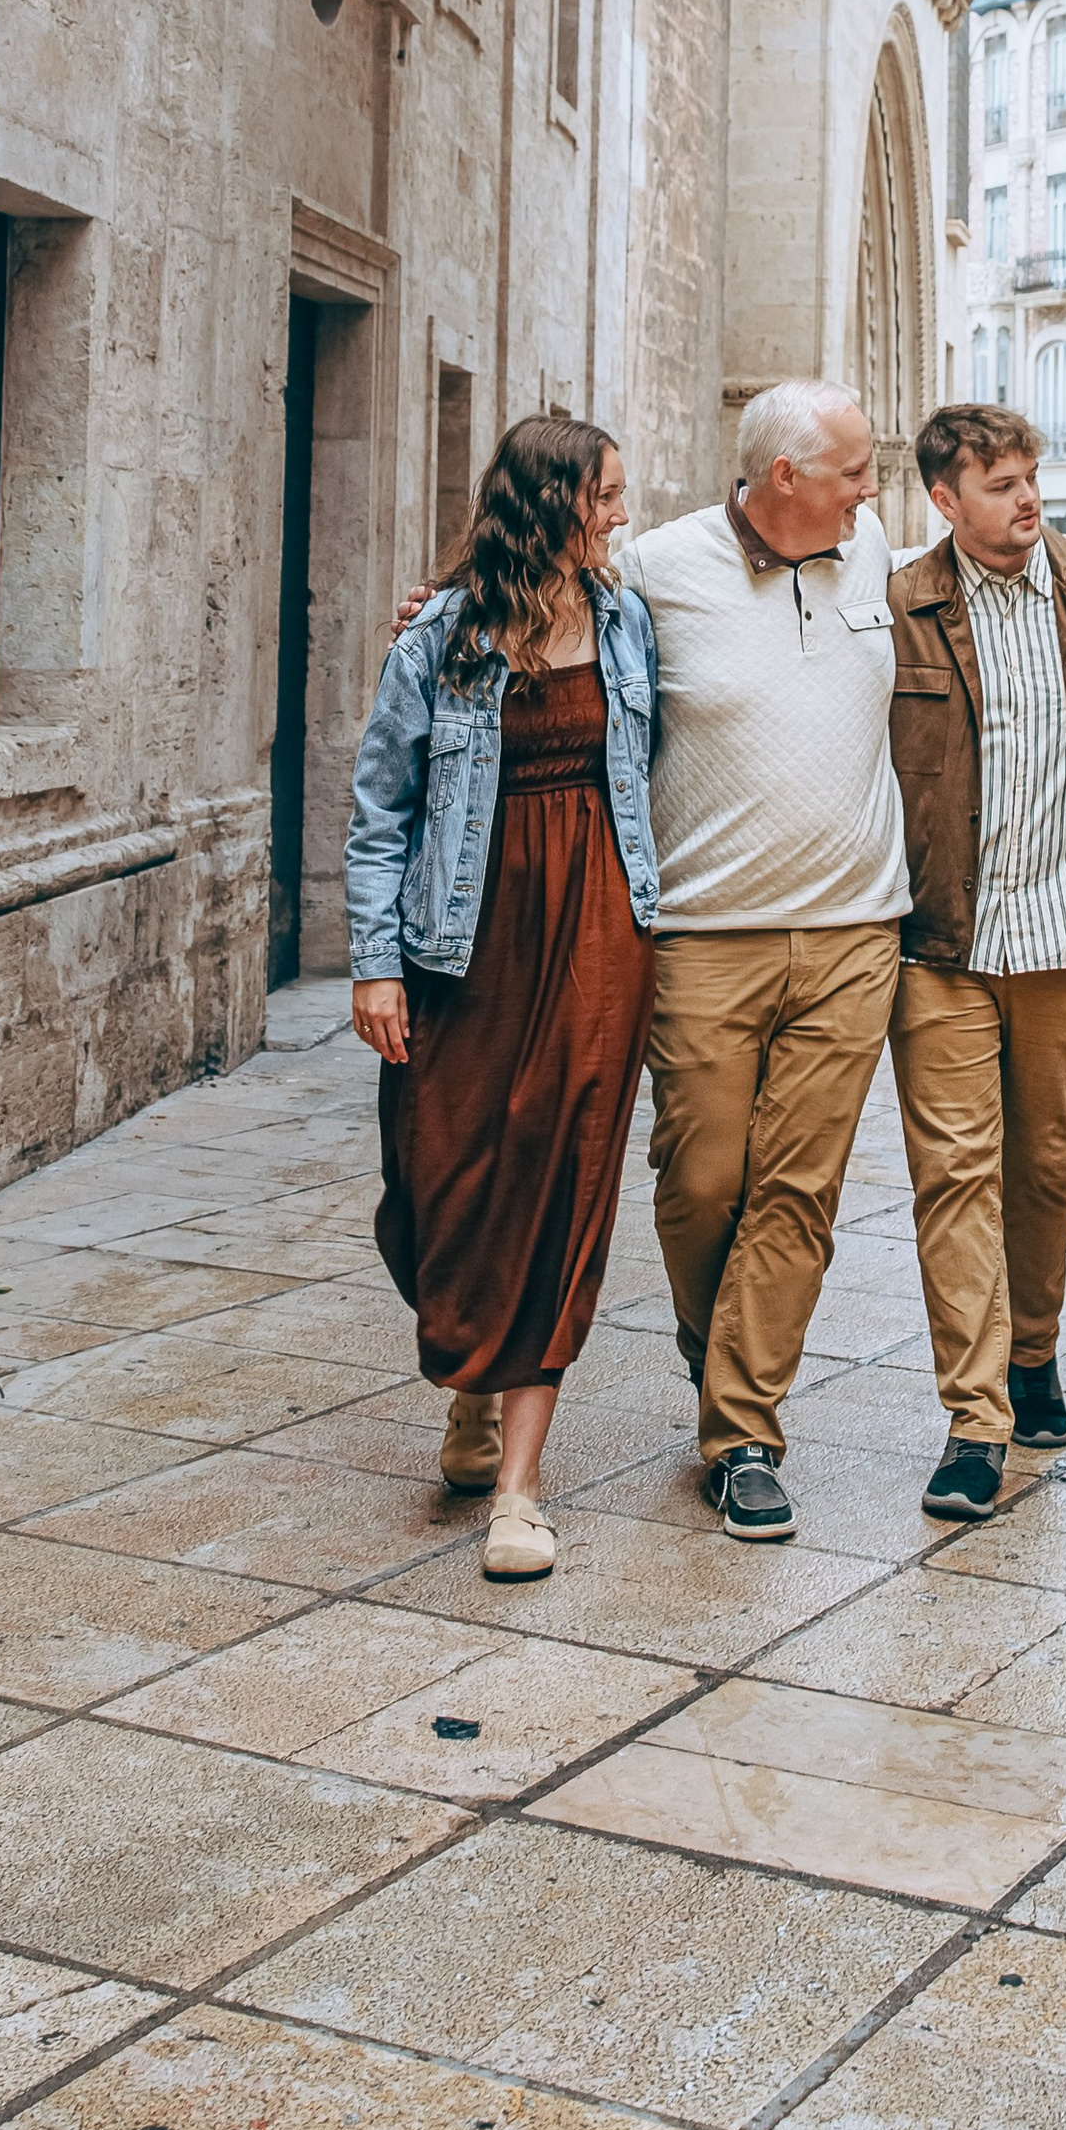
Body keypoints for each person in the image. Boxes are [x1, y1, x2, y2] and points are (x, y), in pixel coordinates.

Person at [344, 415, 660, 1583]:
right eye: (605, 495)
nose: (621, 513)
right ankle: (472, 1371)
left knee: (561, 1176)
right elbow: (381, 807)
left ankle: (519, 1487)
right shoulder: (441, 633)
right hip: (457, 937)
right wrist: (376, 960)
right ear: (551, 504)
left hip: (597, 934)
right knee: (435, 1179)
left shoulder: (626, 619)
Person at [624, 381, 908, 1545]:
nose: (872, 490)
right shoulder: (654, 568)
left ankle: (743, 1429)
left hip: (854, 931)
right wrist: (435, 613)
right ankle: (720, 1340)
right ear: (783, 476)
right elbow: (535, 607)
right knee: (700, 1181)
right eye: (853, 469)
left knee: (798, 1191)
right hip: (702, 935)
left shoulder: (872, 550)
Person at [885, 403, 1066, 1523]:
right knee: (953, 1173)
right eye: (999, 483)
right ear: (944, 500)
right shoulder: (899, 606)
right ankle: (975, 1419)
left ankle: (1033, 1351)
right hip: (940, 940)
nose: (1026, 499)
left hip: (1062, 934)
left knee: (1044, 1165)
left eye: (1030, 477)